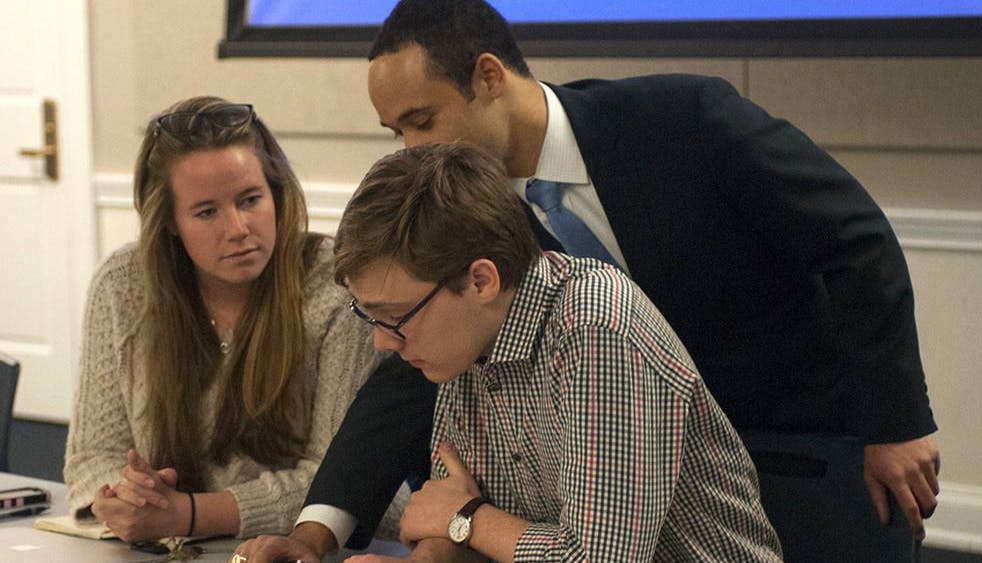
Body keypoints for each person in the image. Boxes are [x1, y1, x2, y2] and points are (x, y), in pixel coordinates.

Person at [238, 0, 940, 560]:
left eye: (423, 121)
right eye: (397, 133)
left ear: (488, 77)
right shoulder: (458, 217)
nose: (414, 150)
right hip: (615, 491)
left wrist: (897, 420)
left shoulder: (682, 120)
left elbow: (853, 238)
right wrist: (317, 529)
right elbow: (409, 361)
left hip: (795, 440)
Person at [345, 142, 783, 561]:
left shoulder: (596, 330)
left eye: (397, 315)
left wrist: (469, 518)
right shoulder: (463, 345)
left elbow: (597, 559)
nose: (384, 340)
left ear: (481, 281)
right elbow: (453, 513)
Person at [63, 96, 400, 543]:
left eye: (250, 199)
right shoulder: (122, 284)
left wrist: (188, 515)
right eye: (206, 212)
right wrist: (119, 496)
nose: (238, 228)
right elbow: (91, 456)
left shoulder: (335, 285)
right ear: (169, 222)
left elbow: (340, 481)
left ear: (276, 193)